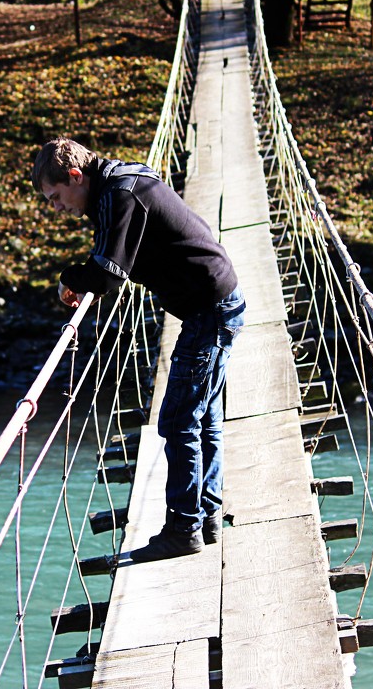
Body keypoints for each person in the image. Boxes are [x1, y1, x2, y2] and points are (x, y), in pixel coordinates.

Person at [32, 138, 245, 562]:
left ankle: (184, 529)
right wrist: (85, 271)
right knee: (204, 418)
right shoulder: (122, 181)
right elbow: (111, 253)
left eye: (56, 197)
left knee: (179, 421)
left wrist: (69, 276)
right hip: (218, 303)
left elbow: (110, 273)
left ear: (75, 176)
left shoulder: (119, 194)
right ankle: (207, 516)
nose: (56, 209)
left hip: (209, 312)